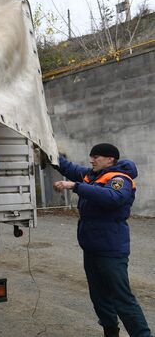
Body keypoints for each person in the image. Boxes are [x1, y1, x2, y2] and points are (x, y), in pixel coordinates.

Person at [53, 143, 152, 337]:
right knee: (99, 297)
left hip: (111, 250)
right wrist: (50, 154)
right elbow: (69, 168)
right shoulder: (92, 175)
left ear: (110, 159)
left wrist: (75, 186)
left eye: (96, 157)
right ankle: (110, 331)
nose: (92, 160)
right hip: (91, 248)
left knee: (122, 298)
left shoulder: (120, 179)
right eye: (91, 156)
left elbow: (112, 198)